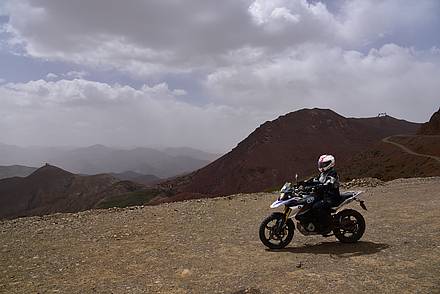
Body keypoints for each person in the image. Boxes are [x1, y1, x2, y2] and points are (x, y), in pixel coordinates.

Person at [300, 154, 341, 233]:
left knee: (316, 206)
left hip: (331, 197)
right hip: (323, 196)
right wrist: (304, 183)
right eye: (321, 164)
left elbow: (328, 184)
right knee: (308, 203)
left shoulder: (333, 173)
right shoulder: (323, 174)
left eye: (324, 164)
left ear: (330, 163)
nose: (322, 166)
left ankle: (325, 226)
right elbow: (315, 180)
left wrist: (316, 187)